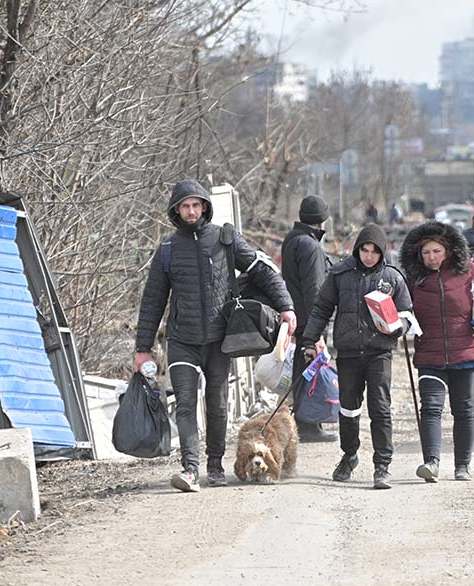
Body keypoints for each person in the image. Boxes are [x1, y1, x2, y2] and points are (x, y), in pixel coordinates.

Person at [135, 179, 296, 492]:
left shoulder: (225, 239)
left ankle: (214, 465)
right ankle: (190, 469)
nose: (191, 211)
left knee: (218, 404)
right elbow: (152, 300)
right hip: (182, 339)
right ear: (176, 211)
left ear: (205, 207)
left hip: (220, 339)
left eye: (196, 205)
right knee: (185, 402)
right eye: (185, 206)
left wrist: (286, 307)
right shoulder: (167, 250)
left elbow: (263, 271)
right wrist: (143, 348)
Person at [301, 224, 412, 490]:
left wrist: (397, 327)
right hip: (349, 352)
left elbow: (407, 313)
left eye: (374, 251)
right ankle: (349, 455)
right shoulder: (340, 274)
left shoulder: (392, 277)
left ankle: (382, 465)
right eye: (365, 250)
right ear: (357, 249)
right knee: (348, 408)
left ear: (382, 252)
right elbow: (321, 308)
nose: (369, 256)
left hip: (380, 352)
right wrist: (310, 341)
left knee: (380, 407)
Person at [399, 221, 474, 482]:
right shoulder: (413, 279)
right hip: (429, 354)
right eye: (426, 252)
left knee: (464, 409)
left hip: (464, 352)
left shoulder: (468, 271)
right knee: (431, 408)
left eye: (436, 251)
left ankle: (462, 465)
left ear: (447, 250)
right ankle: (431, 463)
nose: (431, 257)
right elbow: (400, 308)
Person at [281, 195, 335, 442]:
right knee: (310, 369)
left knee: (303, 369)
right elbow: (314, 290)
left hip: (299, 318)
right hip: (310, 321)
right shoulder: (310, 246)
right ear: (323, 221)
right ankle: (309, 425)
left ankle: (305, 423)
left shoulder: (292, 239)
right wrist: (318, 332)